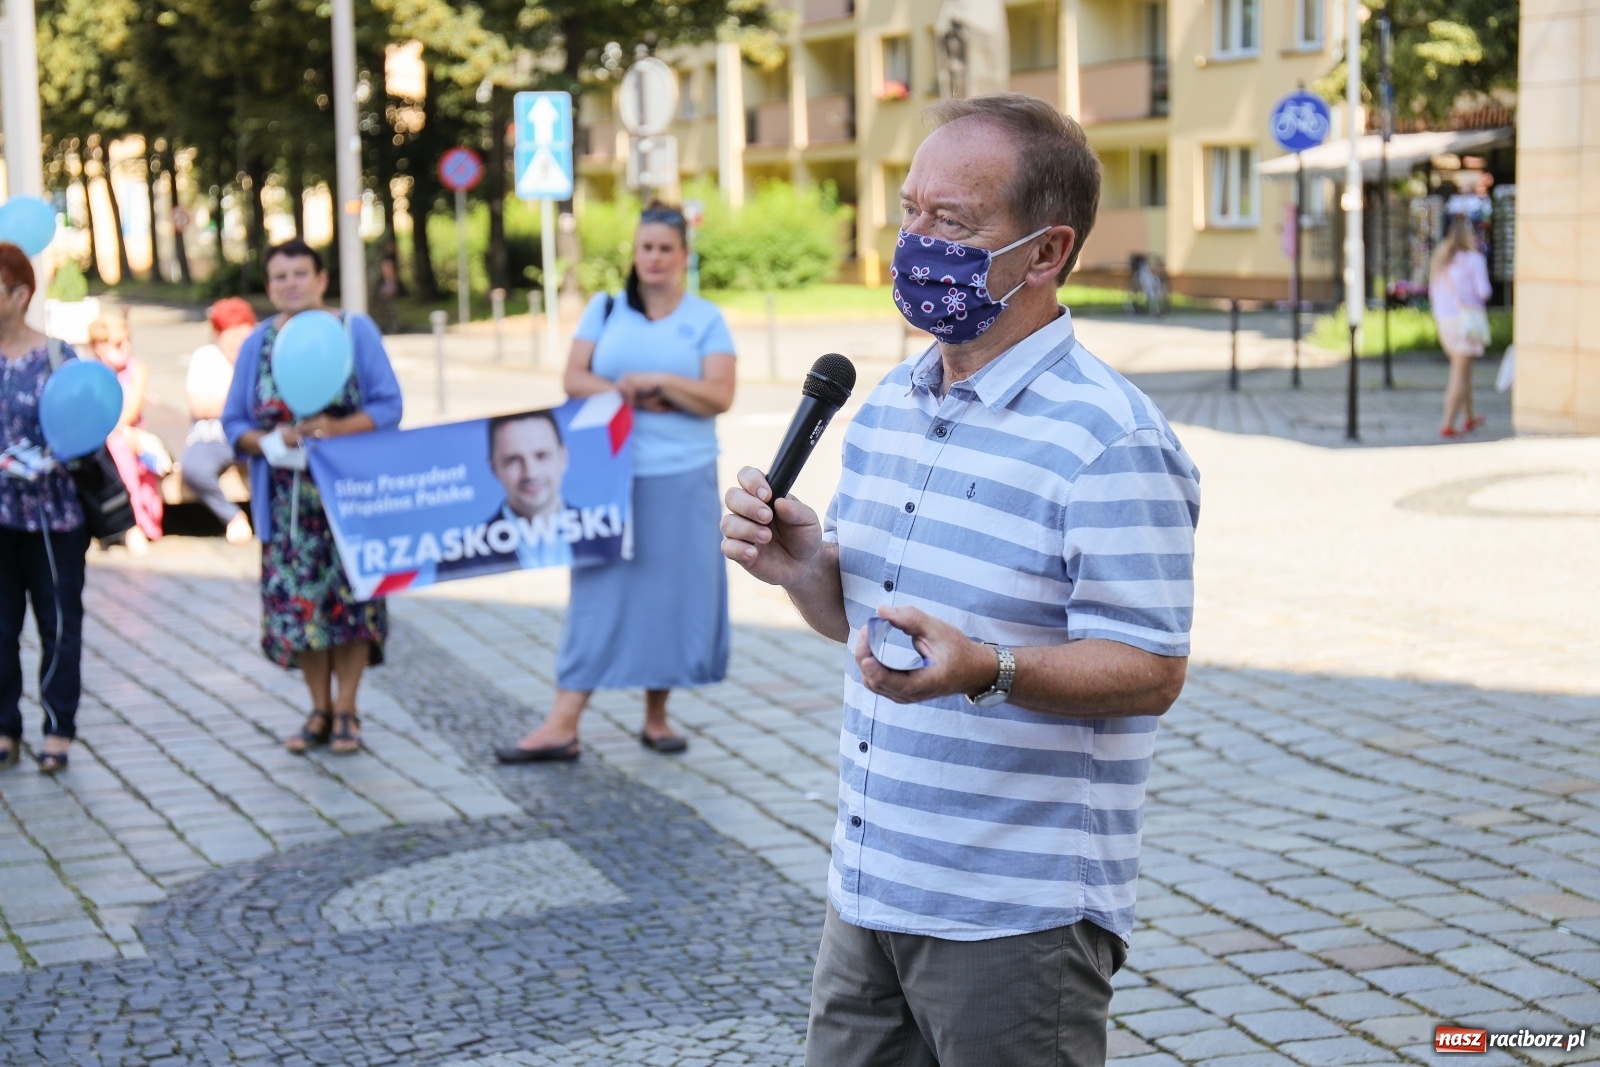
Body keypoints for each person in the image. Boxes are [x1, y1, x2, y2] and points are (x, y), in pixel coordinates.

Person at [720, 94, 1201, 1067]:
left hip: (1012, 913)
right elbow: (866, 627)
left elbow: (1150, 668)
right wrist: (802, 566)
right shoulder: (891, 402)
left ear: (1044, 250)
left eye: (952, 222)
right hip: (867, 887)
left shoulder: (1111, 437)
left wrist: (989, 666)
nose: (916, 243)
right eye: (908, 213)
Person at [496, 203, 736, 763]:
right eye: (645, 247)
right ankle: (562, 723)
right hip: (605, 475)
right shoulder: (604, 311)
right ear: (635, 252)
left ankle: (657, 716)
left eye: (664, 248)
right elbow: (572, 379)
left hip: (682, 477)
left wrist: (661, 381)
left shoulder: (705, 319)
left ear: (683, 255)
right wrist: (625, 390)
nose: (653, 258)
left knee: (671, 597)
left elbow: (719, 395)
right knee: (597, 595)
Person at [222, 239, 402, 756]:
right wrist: (270, 442)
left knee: (352, 609)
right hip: (286, 506)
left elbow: (389, 406)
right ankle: (318, 708)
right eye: (280, 276)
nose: (291, 284)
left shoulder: (353, 331)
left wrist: (337, 427)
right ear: (268, 286)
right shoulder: (258, 343)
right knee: (300, 611)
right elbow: (235, 422)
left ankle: (347, 709)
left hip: (352, 501)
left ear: (322, 279)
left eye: (301, 273)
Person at [0, 243, 93, 774]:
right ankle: (3, 724)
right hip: (0, 518)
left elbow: (86, 430)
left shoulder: (59, 357)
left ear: (19, 294)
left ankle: (58, 727)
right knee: (0, 627)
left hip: (52, 517)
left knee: (59, 624)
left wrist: (53, 456)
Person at [436, 410, 575, 577]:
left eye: (541, 456)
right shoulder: (458, 561)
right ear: (494, 467)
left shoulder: (612, 536)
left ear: (563, 457)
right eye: (513, 460)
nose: (530, 473)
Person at [182, 297, 257, 543]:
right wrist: (240, 405)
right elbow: (199, 406)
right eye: (230, 333)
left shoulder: (259, 357)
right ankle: (232, 516)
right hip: (215, 436)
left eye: (242, 333)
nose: (237, 341)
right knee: (194, 467)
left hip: (252, 433)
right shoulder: (205, 358)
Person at [87, 314, 163, 554]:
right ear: (100, 347)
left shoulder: (137, 369)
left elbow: (130, 412)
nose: (126, 348)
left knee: (119, 447)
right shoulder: (92, 373)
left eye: (128, 341)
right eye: (118, 343)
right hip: (104, 438)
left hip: (132, 436)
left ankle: (133, 524)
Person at [1430, 214, 1493, 437]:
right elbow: (1484, 291)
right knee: (1459, 373)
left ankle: (1469, 416)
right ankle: (1447, 423)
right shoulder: (1473, 259)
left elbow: (1434, 294)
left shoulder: (1441, 260)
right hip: (1465, 321)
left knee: (1463, 370)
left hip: (1443, 322)